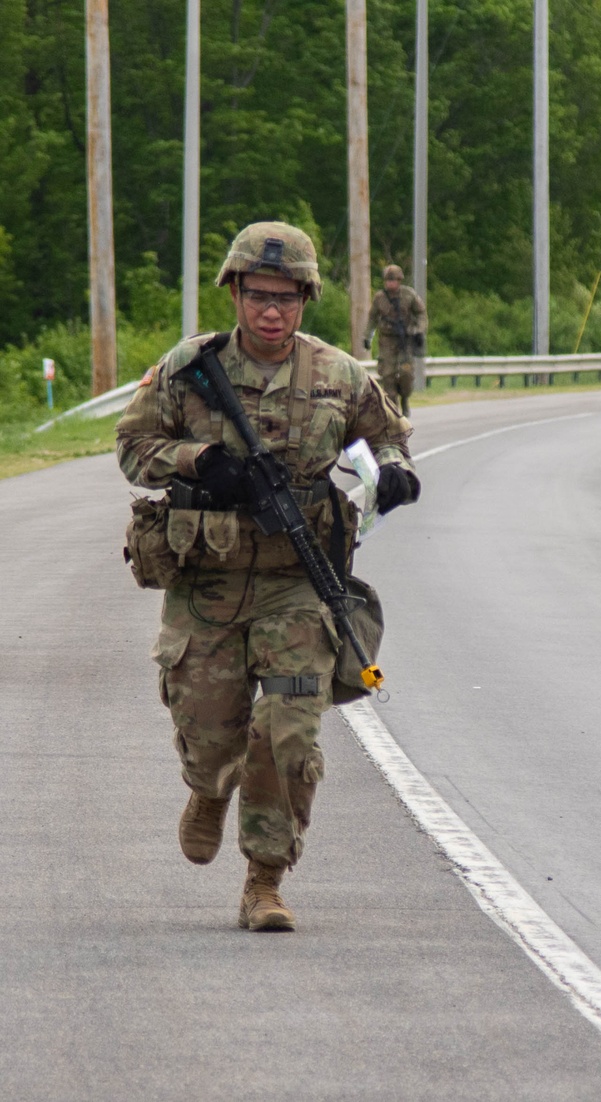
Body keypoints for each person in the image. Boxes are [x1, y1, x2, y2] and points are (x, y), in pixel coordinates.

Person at [116, 221, 419, 932]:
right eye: (258, 294)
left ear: (307, 297)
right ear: (234, 291)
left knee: (288, 731)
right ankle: (209, 787)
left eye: (286, 296)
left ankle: (264, 881)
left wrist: (396, 472)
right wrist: (197, 463)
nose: (272, 310)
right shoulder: (191, 367)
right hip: (209, 581)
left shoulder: (338, 376)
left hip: (296, 583)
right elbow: (132, 448)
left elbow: (386, 433)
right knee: (213, 736)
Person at [363, 264, 428, 416]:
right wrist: (367, 337)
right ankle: (393, 409)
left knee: (406, 374)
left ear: (399, 281)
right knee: (388, 375)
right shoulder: (379, 298)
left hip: (405, 341)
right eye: (387, 280)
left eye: (393, 280)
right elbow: (372, 318)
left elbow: (421, 314)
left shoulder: (409, 295)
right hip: (387, 341)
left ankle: (404, 398)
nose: (390, 283)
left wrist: (419, 331)